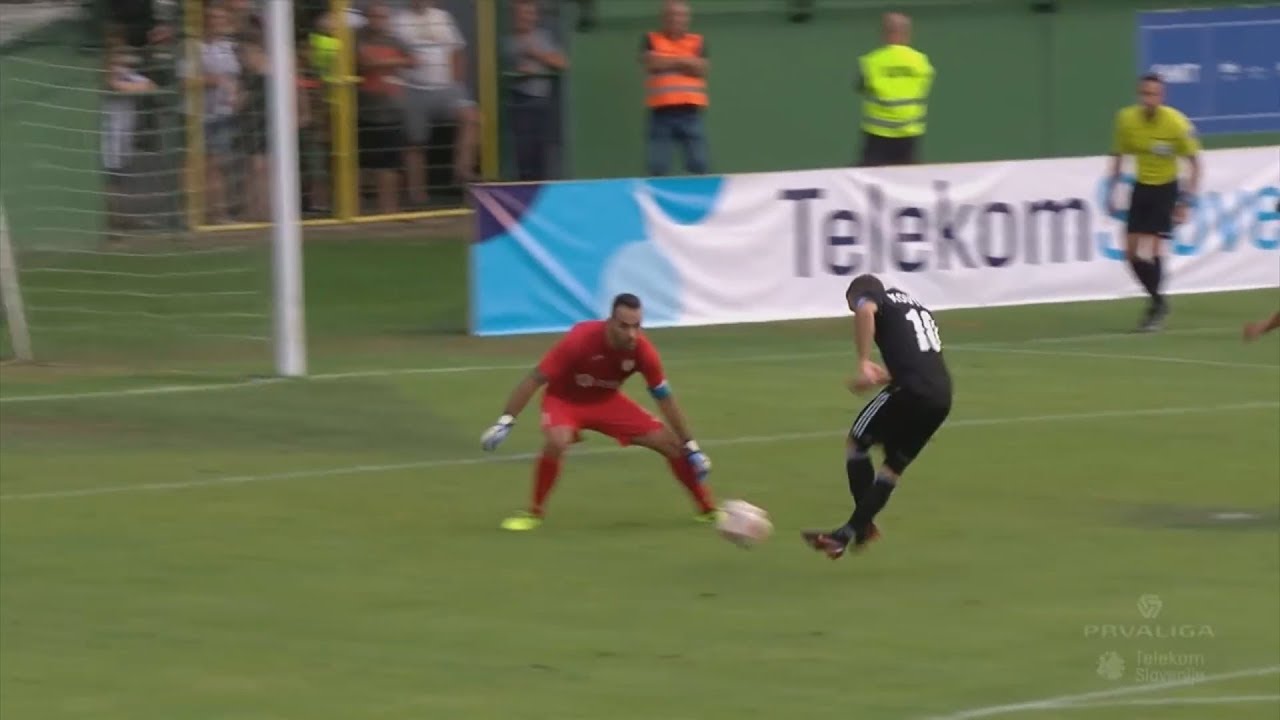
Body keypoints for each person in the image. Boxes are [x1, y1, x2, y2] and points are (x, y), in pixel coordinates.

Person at [480, 293, 717, 531]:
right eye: (624, 326)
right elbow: (535, 379)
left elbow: (665, 399)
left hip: (607, 402)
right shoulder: (581, 339)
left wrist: (692, 447)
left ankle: (707, 510)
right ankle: (533, 513)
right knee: (557, 441)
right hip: (563, 401)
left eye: (637, 326)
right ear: (610, 322)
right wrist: (506, 421)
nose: (632, 334)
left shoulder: (643, 351)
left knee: (672, 445)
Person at [802, 274, 953, 560]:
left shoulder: (874, 295)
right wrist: (879, 377)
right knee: (891, 469)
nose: (855, 313)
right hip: (941, 397)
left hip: (909, 390)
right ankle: (847, 533)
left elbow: (865, 311)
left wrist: (863, 362)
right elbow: (916, 357)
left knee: (856, 443)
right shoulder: (913, 308)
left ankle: (864, 526)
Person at [1107, 73, 1201, 333]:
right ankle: (1158, 302)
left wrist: (1185, 202)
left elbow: (1195, 164)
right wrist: (1112, 190)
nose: (1149, 99)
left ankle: (1156, 308)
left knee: (1151, 249)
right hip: (1141, 187)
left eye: (1154, 94)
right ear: (1139, 95)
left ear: (1162, 96)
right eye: (1145, 94)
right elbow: (1118, 155)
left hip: (1166, 189)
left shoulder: (1176, 124)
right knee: (1130, 254)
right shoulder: (1126, 119)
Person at [640, 1, 709, 177]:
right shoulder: (651, 39)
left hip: (690, 112)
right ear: (663, 18)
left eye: (681, 15)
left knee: (699, 164)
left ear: (688, 18)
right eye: (671, 15)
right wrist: (685, 60)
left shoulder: (698, 41)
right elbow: (652, 64)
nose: (676, 19)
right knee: (658, 166)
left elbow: (701, 69)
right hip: (661, 113)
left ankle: (699, 194)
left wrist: (667, 59)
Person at [855, 13, 933, 167]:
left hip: (878, 134)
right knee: (906, 177)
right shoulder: (921, 61)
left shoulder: (871, 61)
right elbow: (924, 85)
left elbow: (860, 86)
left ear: (885, 34)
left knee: (868, 176)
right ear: (907, 34)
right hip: (910, 133)